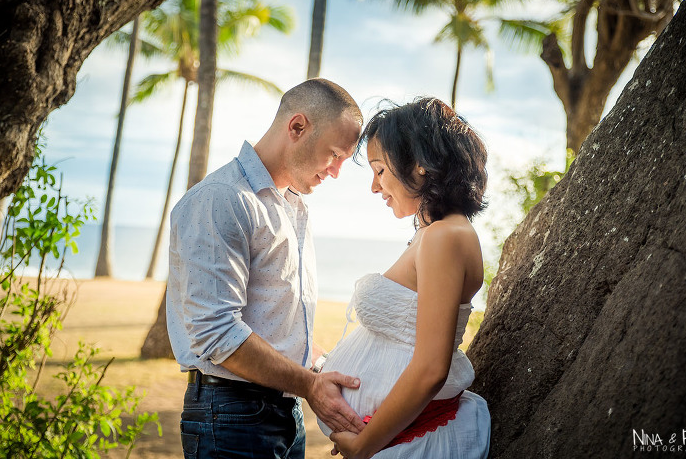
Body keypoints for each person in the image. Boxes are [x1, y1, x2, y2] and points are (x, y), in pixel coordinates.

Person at [166, 78, 367, 458]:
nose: (337, 172)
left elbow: (275, 327)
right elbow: (217, 335)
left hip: (282, 411)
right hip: (231, 416)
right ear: (297, 127)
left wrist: (331, 370)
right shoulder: (222, 199)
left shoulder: (290, 205)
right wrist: (310, 386)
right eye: (334, 154)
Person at [320, 97, 491, 459]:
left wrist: (365, 444)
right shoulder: (434, 233)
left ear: (419, 164)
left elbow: (431, 368)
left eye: (380, 170)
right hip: (401, 435)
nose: (373, 187)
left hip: (414, 439)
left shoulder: (445, 237)